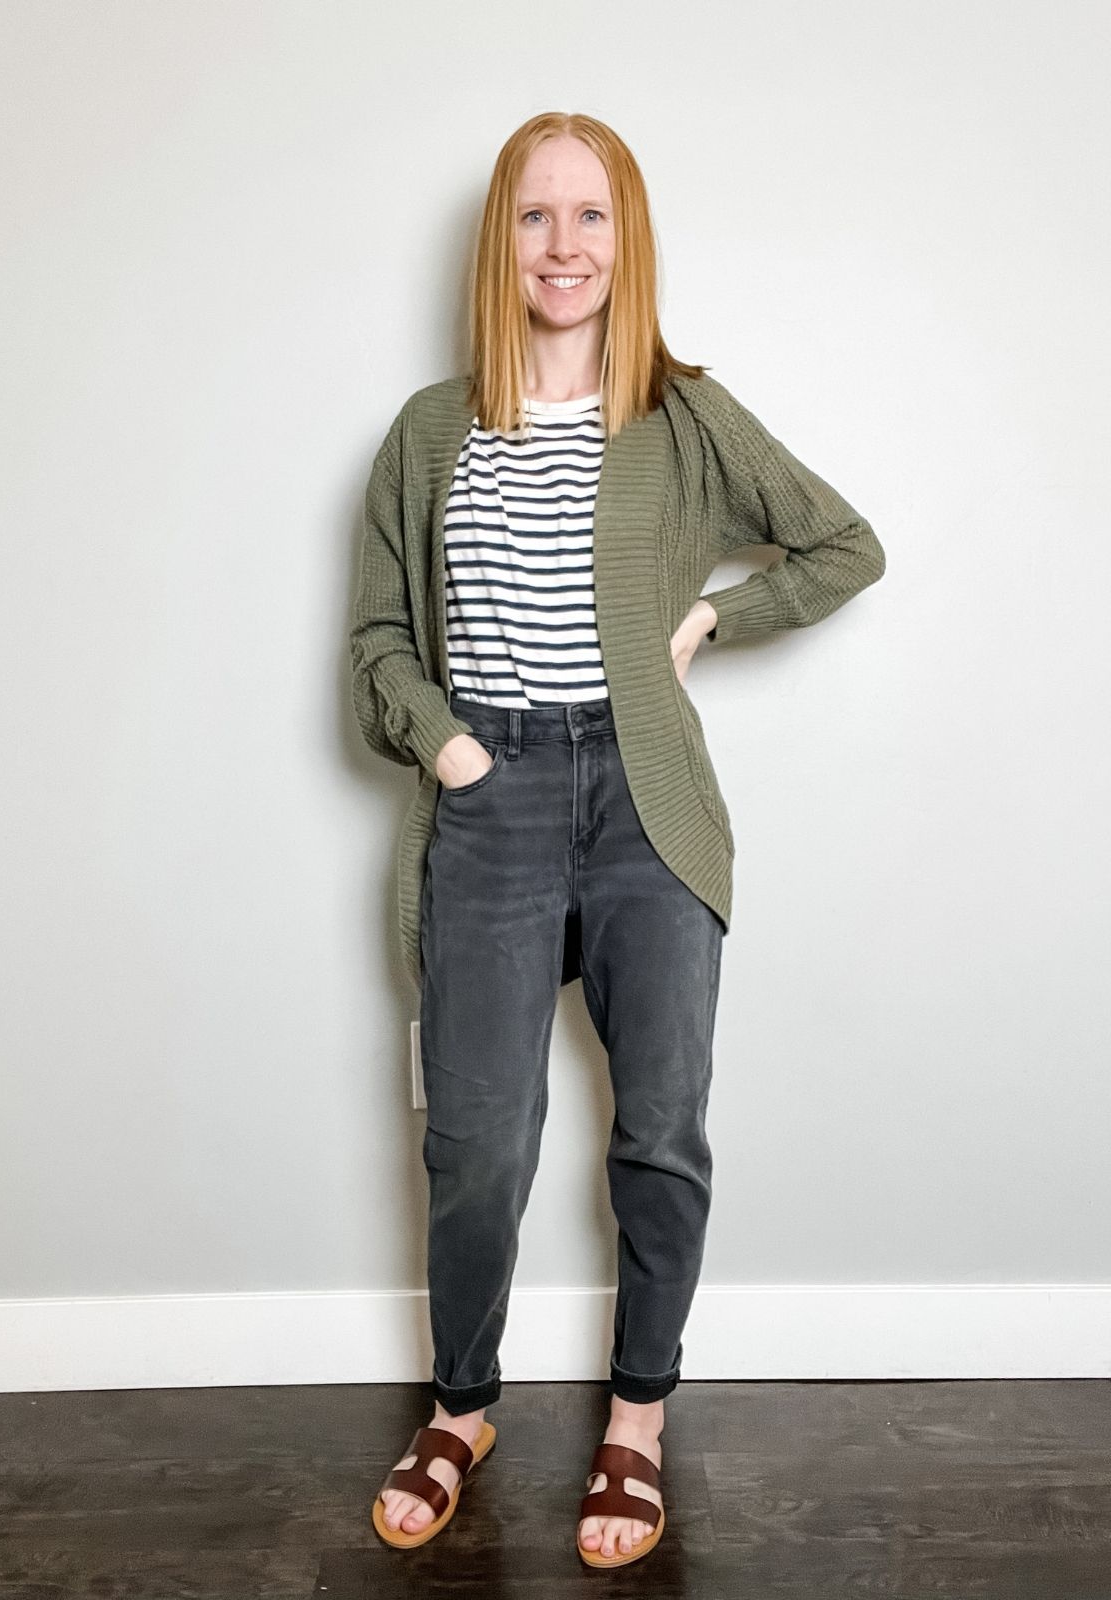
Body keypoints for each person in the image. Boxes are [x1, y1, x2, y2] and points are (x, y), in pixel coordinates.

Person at [353, 111, 886, 1569]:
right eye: (536, 219)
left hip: (648, 802)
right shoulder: (431, 429)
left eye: (591, 218)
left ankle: (637, 1420)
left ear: (627, 239)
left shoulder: (680, 414)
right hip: (494, 793)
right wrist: (449, 743)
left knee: (659, 1133)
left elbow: (845, 543)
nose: (565, 248)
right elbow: (377, 645)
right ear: (501, 243)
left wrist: (711, 616)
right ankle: (465, 1407)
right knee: (476, 1136)